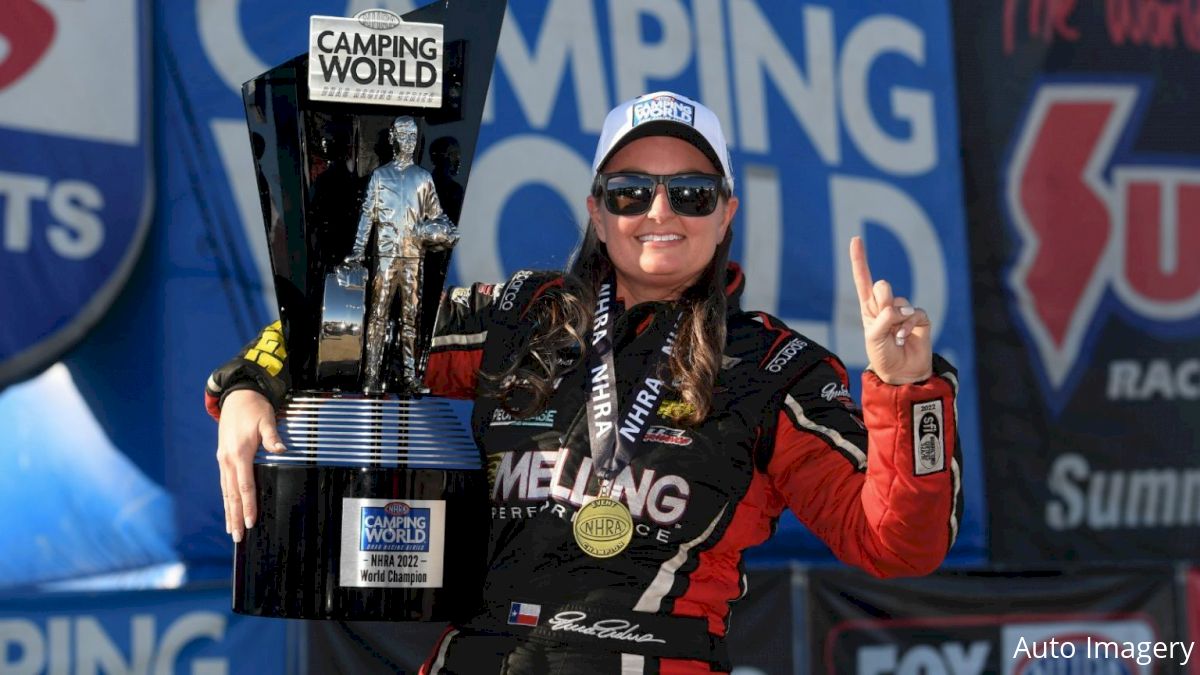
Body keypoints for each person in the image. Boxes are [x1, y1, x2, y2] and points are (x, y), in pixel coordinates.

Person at [206, 91, 962, 674]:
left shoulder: (771, 367)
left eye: (690, 193)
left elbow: (899, 545)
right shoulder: (519, 316)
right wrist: (249, 386)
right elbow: (349, 332)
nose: (659, 212)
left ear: (726, 213)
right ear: (598, 212)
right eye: (632, 192)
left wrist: (906, 393)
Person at [346, 115, 458, 393]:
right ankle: (371, 375)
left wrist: (442, 232)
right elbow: (366, 217)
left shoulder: (424, 178)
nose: (408, 141)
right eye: (403, 136)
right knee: (377, 316)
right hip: (385, 259)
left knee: (412, 318)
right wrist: (358, 250)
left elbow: (439, 216)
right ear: (393, 139)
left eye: (413, 136)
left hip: (413, 259)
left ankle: (410, 376)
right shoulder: (380, 176)